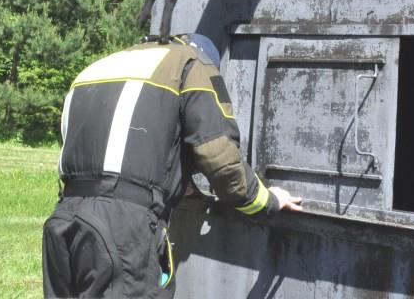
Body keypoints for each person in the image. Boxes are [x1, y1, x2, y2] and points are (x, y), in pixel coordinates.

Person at [42, 33, 302, 298]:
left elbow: (114, 149)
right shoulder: (192, 64)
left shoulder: (100, 67)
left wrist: (176, 179)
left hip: (65, 217)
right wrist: (266, 199)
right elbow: (219, 158)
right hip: (123, 229)